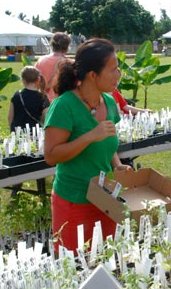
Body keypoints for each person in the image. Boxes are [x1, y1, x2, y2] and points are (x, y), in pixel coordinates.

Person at [43, 38, 133, 255]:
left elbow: (108, 144)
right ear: (93, 75)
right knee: (75, 265)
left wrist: (117, 164)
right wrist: (88, 137)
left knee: (108, 259)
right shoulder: (64, 106)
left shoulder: (109, 102)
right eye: (113, 70)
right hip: (74, 200)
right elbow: (51, 156)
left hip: (106, 197)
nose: (118, 75)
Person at [8, 66, 50, 197]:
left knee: (19, 165)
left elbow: (10, 117)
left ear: (23, 80)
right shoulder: (42, 97)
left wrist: (13, 132)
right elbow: (46, 118)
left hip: (19, 134)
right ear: (38, 80)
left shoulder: (17, 95)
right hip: (34, 136)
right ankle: (41, 194)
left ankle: (15, 194)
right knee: (37, 165)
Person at [35, 32, 71, 103]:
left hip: (42, 100)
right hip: (61, 101)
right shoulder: (69, 63)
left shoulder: (41, 60)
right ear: (67, 46)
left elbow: (34, 81)